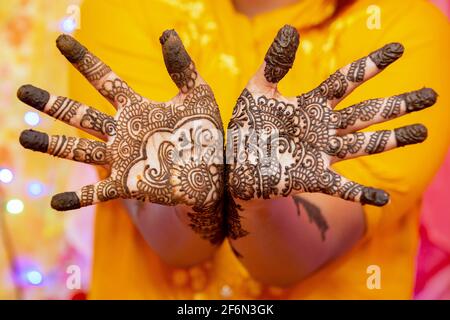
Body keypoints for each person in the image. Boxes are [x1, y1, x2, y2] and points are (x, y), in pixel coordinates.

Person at [18, 0, 450, 299]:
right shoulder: (127, 7)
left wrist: (258, 200)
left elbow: (292, 260)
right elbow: (174, 245)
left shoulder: (404, 29)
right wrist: (192, 191)